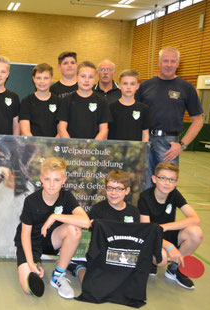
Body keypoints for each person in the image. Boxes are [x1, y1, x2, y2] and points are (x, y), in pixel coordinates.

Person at [14, 157, 90, 299]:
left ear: (64, 180)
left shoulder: (66, 197)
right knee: (28, 288)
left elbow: (86, 222)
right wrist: (31, 263)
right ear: (41, 179)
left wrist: (55, 217)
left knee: (75, 230)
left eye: (56, 180)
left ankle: (58, 276)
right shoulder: (31, 201)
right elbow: (25, 235)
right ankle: (34, 263)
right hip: (31, 242)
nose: (51, 184)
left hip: (52, 239)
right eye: (47, 179)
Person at [135, 47, 203, 188]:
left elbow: (198, 121)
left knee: (166, 187)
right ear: (159, 63)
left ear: (178, 64)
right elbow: (134, 115)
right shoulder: (145, 86)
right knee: (143, 186)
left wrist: (182, 145)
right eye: (165, 60)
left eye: (173, 61)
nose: (169, 64)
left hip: (169, 146)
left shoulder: (187, 88)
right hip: (145, 141)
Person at [69, 170, 145, 283]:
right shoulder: (97, 210)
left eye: (119, 189)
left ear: (127, 190)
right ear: (105, 189)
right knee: (91, 286)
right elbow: (93, 239)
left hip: (123, 255)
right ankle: (79, 267)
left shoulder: (133, 212)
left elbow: (135, 239)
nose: (113, 192)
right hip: (102, 254)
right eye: (110, 188)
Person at [138, 162, 203, 290]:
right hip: (150, 237)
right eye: (163, 178)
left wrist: (166, 227)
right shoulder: (145, 197)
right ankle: (151, 262)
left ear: (176, 182)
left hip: (167, 233)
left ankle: (174, 268)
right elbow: (146, 230)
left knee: (196, 232)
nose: (167, 183)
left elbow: (195, 219)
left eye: (171, 180)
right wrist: (169, 246)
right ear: (154, 179)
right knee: (161, 258)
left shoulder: (174, 194)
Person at [57, 61, 111, 140]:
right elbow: (62, 128)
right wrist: (73, 147)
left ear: (95, 79)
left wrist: (91, 148)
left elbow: (103, 130)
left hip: (93, 149)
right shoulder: (67, 100)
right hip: (71, 148)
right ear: (76, 77)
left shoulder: (102, 101)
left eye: (91, 77)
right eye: (83, 76)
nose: (87, 80)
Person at [108, 69, 152, 141]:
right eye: (125, 83)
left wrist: (143, 150)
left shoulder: (144, 109)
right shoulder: (111, 108)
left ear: (137, 86)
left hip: (135, 150)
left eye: (132, 84)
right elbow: (106, 132)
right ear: (119, 86)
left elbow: (145, 134)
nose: (128, 87)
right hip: (115, 150)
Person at [19, 63, 61, 137]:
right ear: (33, 79)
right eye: (38, 78)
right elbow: (24, 130)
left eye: (46, 78)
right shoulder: (26, 102)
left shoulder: (59, 102)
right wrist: (36, 147)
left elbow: (61, 130)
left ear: (52, 79)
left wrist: (51, 147)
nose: (42, 81)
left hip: (52, 146)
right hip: (32, 146)